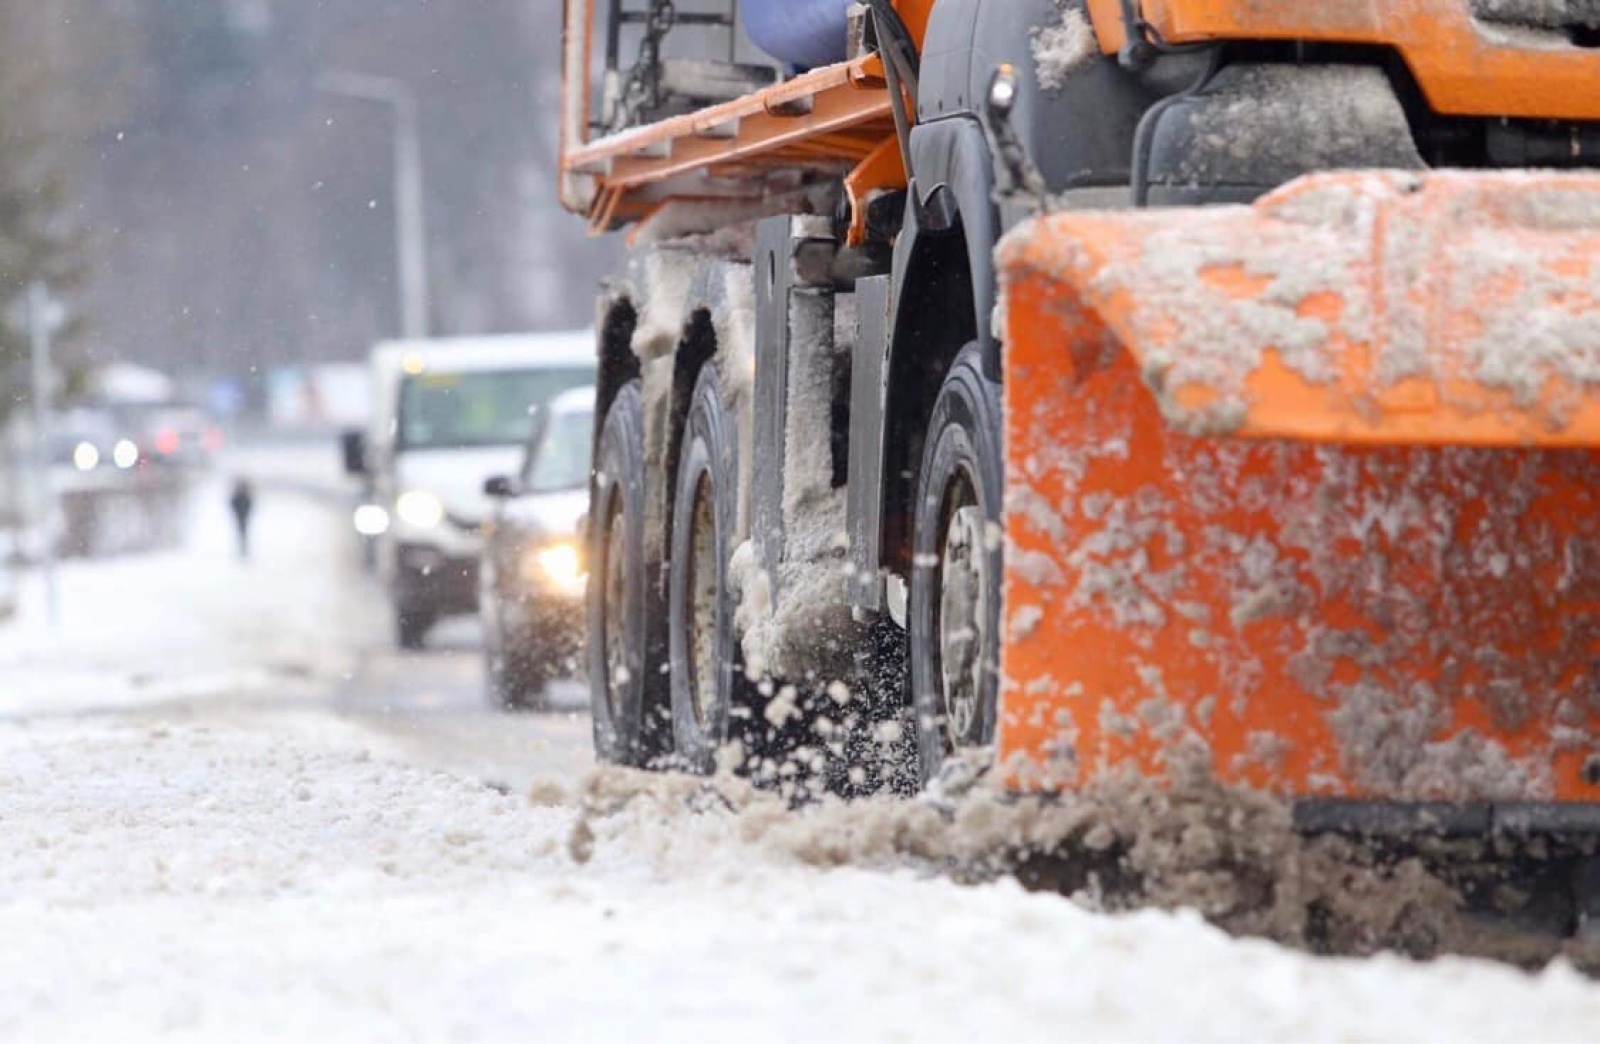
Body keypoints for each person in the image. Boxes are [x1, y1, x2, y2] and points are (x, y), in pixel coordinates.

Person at [229, 479, 255, 560]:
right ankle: (242, 546)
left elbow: (249, 505)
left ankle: (243, 547)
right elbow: (233, 504)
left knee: (243, 531)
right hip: (240, 516)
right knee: (241, 531)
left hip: (243, 516)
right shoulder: (238, 495)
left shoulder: (245, 496)